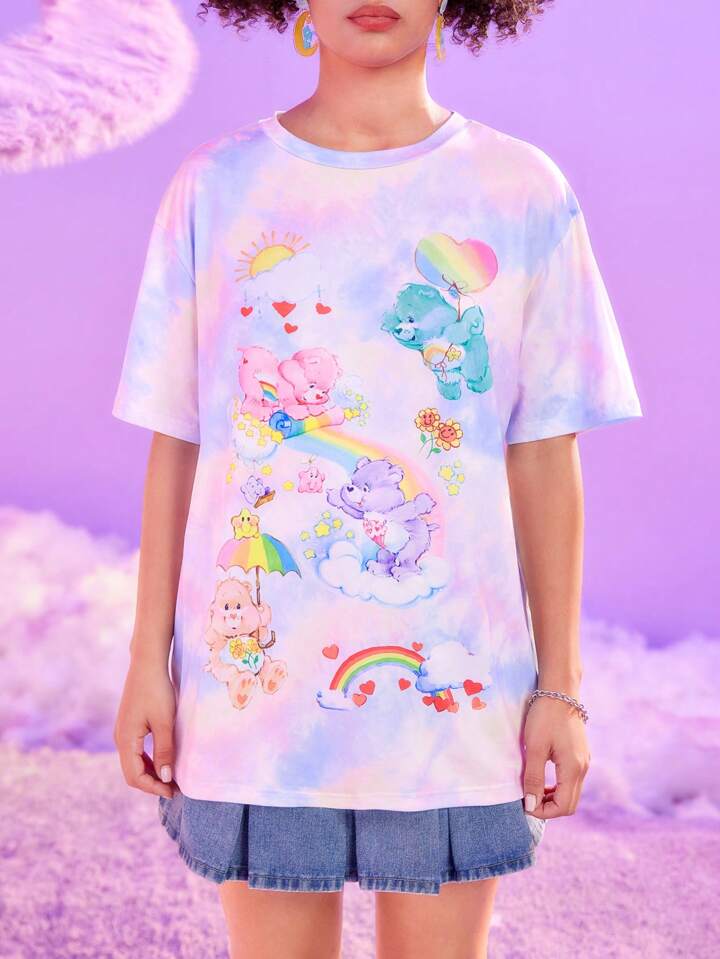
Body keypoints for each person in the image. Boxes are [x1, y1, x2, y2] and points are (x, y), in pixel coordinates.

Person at [112, 2, 642, 956]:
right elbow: (180, 442)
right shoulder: (218, 186)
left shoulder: (521, 190)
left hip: (457, 700)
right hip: (256, 703)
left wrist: (560, 687)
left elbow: (543, 452)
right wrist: (147, 659)